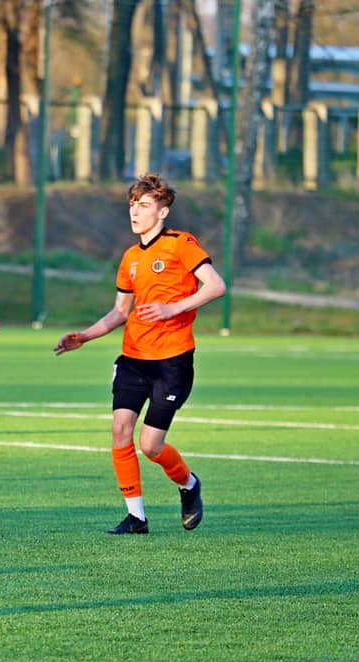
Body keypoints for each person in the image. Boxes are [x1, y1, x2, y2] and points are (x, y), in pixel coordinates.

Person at [54, 173, 225, 535]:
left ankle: (189, 484)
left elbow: (215, 286)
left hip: (172, 361)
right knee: (120, 430)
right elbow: (120, 311)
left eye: (144, 205)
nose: (135, 211)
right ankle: (136, 517)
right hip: (133, 358)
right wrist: (85, 336)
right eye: (132, 204)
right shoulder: (130, 257)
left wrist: (172, 308)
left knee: (151, 445)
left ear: (162, 212)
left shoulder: (181, 244)